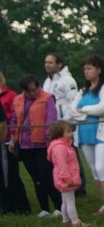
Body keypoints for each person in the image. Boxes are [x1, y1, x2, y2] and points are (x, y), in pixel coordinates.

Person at [69, 55, 104, 217]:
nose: (86, 71)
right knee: (94, 171)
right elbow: (71, 111)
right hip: (84, 135)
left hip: (103, 133)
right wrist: (87, 112)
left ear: (99, 70)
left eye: (89, 68)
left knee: (101, 167)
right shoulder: (83, 90)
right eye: (85, 69)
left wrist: (84, 110)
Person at [9, 75, 62, 217]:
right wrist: (13, 140)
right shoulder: (18, 100)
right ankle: (44, 208)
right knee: (36, 178)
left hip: (42, 145)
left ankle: (59, 206)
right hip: (25, 145)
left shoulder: (48, 98)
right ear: (24, 91)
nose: (33, 93)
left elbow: (51, 119)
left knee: (46, 175)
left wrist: (48, 139)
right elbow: (14, 120)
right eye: (29, 91)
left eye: (35, 89)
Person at [43, 52, 86, 197]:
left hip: (66, 124)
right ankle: (63, 181)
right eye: (46, 62)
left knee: (72, 155)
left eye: (50, 62)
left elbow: (73, 101)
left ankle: (80, 186)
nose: (47, 65)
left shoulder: (68, 80)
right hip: (54, 125)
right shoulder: (47, 82)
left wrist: (66, 121)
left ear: (59, 64)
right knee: (60, 155)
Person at [0, 72, 31, 215]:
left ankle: (21, 206)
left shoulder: (10, 95)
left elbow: (14, 117)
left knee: (11, 175)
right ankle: (7, 204)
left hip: (6, 139)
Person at [46, 120, 85, 227]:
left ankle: (65, 219)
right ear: (59, 133)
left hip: (62, 177)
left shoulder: (62, 145)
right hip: (66, 178)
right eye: (68, 131)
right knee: (70, 201)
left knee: (65, 200)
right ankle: (75, 221)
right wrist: (67, 178)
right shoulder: (60, 147)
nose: (71, 133)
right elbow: (62, 164)